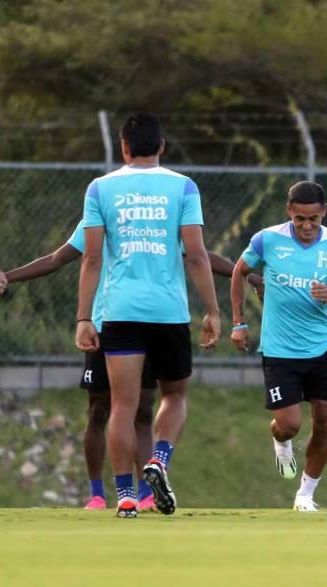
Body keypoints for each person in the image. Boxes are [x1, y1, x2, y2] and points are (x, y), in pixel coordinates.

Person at [0, 224, 258, 511]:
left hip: (142, 324)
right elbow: (57, 258)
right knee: (99, 410)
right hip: (104, 323)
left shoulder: (156, 216)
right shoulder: (103, 215)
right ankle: (96, 495)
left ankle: (144, 493)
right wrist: (10, 276)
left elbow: (201, 255)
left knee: (141, 409)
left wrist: (247, 274)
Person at [75, 113, 221, 518]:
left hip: (119, 310)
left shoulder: (100, 188)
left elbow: (90, 258)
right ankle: (158, 459)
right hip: (168, 311)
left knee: (122, 405)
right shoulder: (183, 187)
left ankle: (123, 495)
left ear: (123, 146)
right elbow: (195, 254)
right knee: (174, 395)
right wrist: (212, 309)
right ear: (161, 146)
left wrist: (84, 317)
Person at [230, 181, 327, 511]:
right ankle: (280, 440)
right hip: (279, 349)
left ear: (324, 212)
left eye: (313, 218)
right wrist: (239, 323)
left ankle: (305, 494)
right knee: (290, 425)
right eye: (300, 219)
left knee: (326, 418)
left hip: (324, 346)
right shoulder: (266, 239)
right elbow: (239, 272)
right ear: (289, 212)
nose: (307, 226)